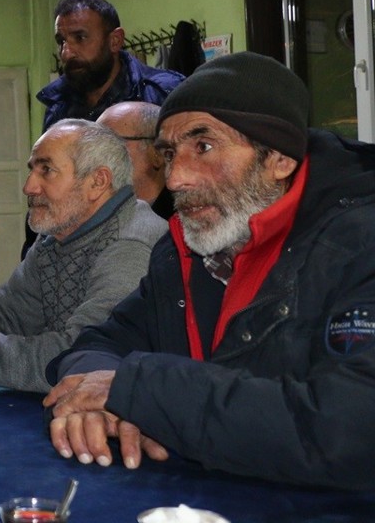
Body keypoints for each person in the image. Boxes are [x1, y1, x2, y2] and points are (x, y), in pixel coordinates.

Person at [44, 52, 375, 490]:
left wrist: (140, 391)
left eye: (203, 146)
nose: (177, 178)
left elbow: (345, 432)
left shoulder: (359, 247)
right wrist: (97, 402)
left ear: (278, 158)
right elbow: (101, 342)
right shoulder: (185, 247)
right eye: (168, 153)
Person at [0, 119, 166, 392]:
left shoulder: (130, 245)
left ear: (98, 182)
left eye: (46, 170)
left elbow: (81, 358)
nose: (28, 187)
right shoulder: (58, 235)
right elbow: (5, 313)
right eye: (32, 170)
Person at [36, 0, 185, 130]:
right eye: (61, 41)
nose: (66, 53)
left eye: (80, 38)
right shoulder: (58, 105)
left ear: (115, 41)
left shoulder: (164, 92)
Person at [97, 101, 174, 219]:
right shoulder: (89, 215)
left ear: (157, 153)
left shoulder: (185, 220)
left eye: (110, 142)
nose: (95, 154)